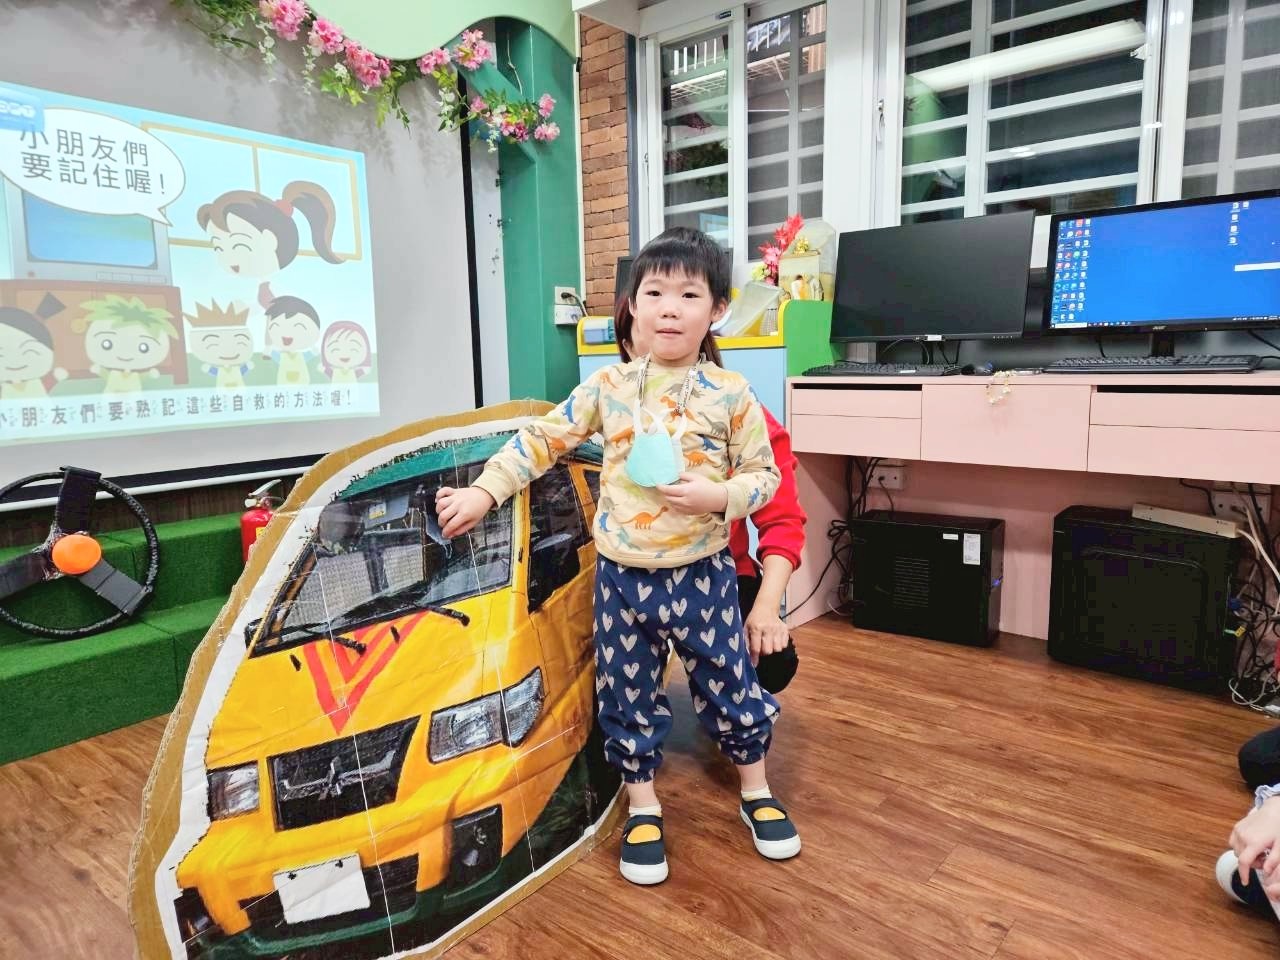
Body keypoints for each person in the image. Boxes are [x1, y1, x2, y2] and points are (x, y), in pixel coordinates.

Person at [436, 227, 799, 886]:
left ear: (717, 309)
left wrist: (719, 496)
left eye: (688, 295)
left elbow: (766, 478)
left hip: (704, 576)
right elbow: (543, 440)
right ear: (632, 306)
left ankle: (756, 791)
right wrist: (486, 490)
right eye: (653, 293)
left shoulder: (732, 394)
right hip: (624, 580)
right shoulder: (608, 386)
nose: (669, 309)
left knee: (731, 686)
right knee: (626, 694)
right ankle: (643, 806)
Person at [613, 294, 805, 694]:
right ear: (628, 350)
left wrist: (766, 609)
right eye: (646, 348)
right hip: (635, 571)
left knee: (771, 663)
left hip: (718, 571)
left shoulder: (741, 413)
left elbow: (782, 520)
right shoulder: (614, 415)